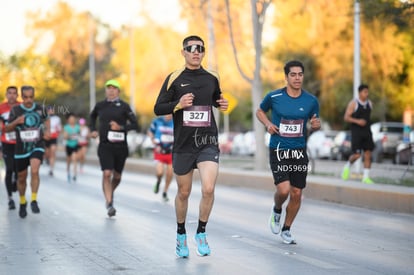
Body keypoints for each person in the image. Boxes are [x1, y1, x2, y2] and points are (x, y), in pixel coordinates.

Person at [154, 35, 228, 258]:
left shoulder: (212, 76)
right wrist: (177, 104)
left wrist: (221, 103)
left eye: (200, 48)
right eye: (191, 48)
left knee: (208, 188)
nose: (196, 52)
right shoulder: (174, 78)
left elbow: (216, 98)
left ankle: (201, 232)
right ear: (183, 52)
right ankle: (180, 235)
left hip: (207, 142)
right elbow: (158, 108)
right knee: (184, 192)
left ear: (203, 52)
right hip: (184, 144)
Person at [256, 60, 321, 244]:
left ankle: (286, 229)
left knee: (297, 193)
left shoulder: (311, 101)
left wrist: (316, 126)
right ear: (286, 77)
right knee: (283, 190)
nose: (297, 77)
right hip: (278, 149)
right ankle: (277, 209)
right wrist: (268, 124)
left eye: (300, 74)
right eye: (293, 74)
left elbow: (314, 123)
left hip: (299, 151)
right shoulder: (274, 96)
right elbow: (260, 111)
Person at [89, 79, 139, 217]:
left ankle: (109, 192)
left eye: (114, 88)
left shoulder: (124, 106)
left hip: (120, 146)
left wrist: (121, 128)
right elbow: (92, 117)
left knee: (116, 177)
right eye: (108, 87)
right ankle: (109, 203)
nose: (111, 90)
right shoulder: (100, 105)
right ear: (105, 90)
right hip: (105, 145)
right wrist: (93, 130)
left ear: (118, 91)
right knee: (106, 173)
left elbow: (135, 125)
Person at [5, 85, 50, 218]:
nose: (28, 100)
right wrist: (17, 122)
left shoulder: (40, 108)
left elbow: (47, 119)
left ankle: (34, 200)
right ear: (21, 97)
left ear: (34, 96)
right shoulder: (16, 110)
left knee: (35, 170)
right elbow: (6, 129)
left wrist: (48, 131)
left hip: (37, 144)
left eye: (31, 97)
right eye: (25, 97)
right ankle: (23, 201)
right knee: (21, 177)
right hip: (21, 148)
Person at [341, 84, 375, 184]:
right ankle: (347, 166)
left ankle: (366, 177)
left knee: (368, 154)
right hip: (357, 133)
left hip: (367, 132)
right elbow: (346, 117)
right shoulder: (353, 103)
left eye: (367, 92)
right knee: (357, 155)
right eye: (365, 92)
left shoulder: (369, 103)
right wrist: (358, 121)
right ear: (359, 93)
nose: (366, 94)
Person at [0, 86, 20, 210]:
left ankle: (16, 181)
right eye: (9, 93)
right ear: (6, 95)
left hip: (20, 143)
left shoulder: (22, 107)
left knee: (19, 169)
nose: (12, 95)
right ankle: (10, 199)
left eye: (14, 93)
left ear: (17, 95)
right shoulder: (1, 108)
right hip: (6, 142)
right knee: (9, 169)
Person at [147, 114, 174, 202]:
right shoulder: (157, 121)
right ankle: (158, 182)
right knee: (160, 172)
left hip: (171, 151)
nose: (168, 115)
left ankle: (165, 192)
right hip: (159, 150)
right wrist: (153, 141)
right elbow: (150, 131)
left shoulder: (176, 121)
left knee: (170, 173)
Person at [44, 106, 62, 177]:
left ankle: (51, 169)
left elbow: (59, 128)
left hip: (54, 137)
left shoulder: (57, 119)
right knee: (47, 152)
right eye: (49, 110)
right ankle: (47, 159)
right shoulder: (44, 118)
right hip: (46, 137)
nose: (51, 112)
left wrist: (58, 134)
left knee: (53, 152)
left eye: (52, 110)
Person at [63, 113, 80, 183]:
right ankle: (68, 173)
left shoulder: (77, 127)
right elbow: (65, 136)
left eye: (73, 119)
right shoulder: (66, 127)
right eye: (70, 119)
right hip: (68, 145)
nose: (72, 120)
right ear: (68, 120)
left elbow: (80, 134)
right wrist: (70, 136)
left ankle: (75, 175)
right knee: (68, 161)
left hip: (75, 145)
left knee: (74, 159)